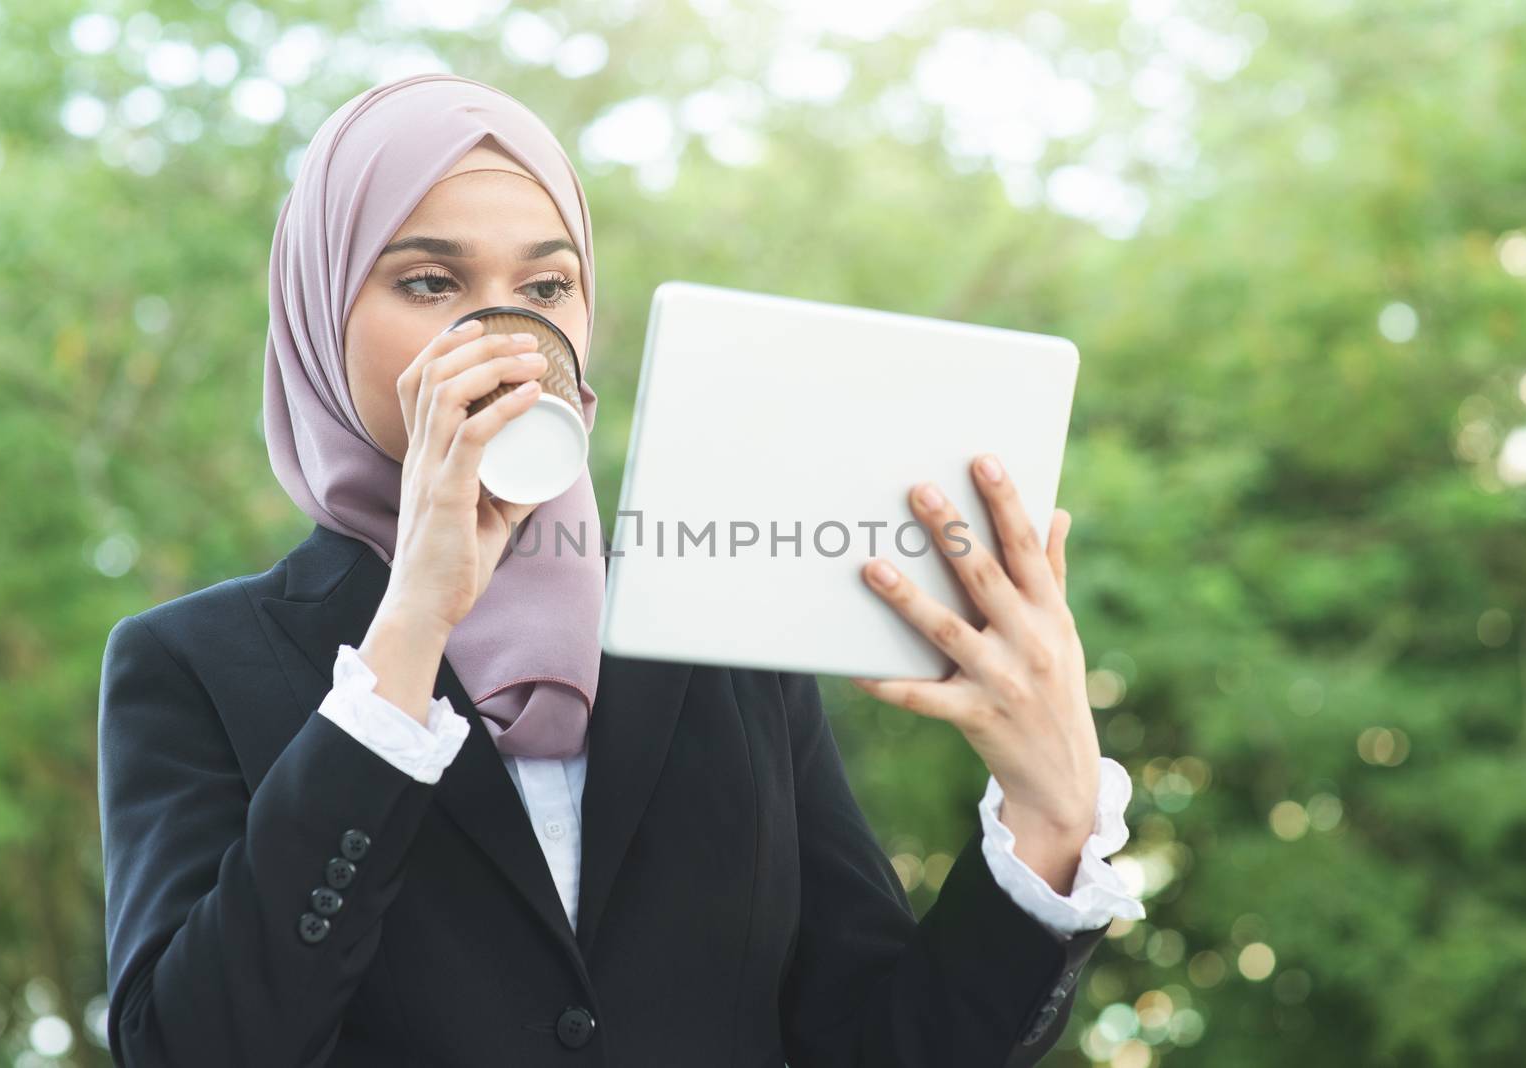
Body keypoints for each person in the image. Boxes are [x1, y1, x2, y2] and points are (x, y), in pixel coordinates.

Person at [96, 73, 1144, 1068]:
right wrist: (412, 626)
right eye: (429, 282)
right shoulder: (192, 665)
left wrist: (1047, 821)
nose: (503, 332)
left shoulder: (716, 632)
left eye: (546, 285)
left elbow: (877, 1044)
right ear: (322, 317)